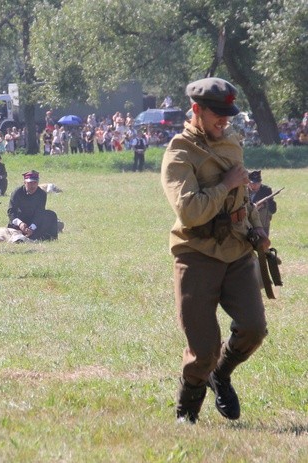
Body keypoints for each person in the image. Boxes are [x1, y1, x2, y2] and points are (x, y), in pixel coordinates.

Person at [161, 77, 270, 424]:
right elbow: (189, 211)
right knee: (203, 349)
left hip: (237, 247)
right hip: (197, 252)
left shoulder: (231, 142)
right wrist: (225, 185)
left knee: (253, 328)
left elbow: (244, 196)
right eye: (217, 116)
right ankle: (187, 413)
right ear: (197, 110)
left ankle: (220, 375)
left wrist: (256, 227)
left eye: (228, 116)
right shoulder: (179, 153)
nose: (224, 122)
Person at [7, 170, 59, 241]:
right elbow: (11, 211)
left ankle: (49, 238)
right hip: (20, 221)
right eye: (30, 183)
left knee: (51, 215)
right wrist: (20, 224)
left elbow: (40, 212)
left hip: (34, 221)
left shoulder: (41, 194)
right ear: (25, 182)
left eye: (35, 183)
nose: (33, 185)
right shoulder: (17, 192)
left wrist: (31, 228)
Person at [247, 170, 277, 236]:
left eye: (257, 183)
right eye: (252, 183)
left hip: (262, 224)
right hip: (247, 224)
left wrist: (264, 204)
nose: (255, 185)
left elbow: (273, 209)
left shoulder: (266, 190)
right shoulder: (244, 190)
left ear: (260, 182)